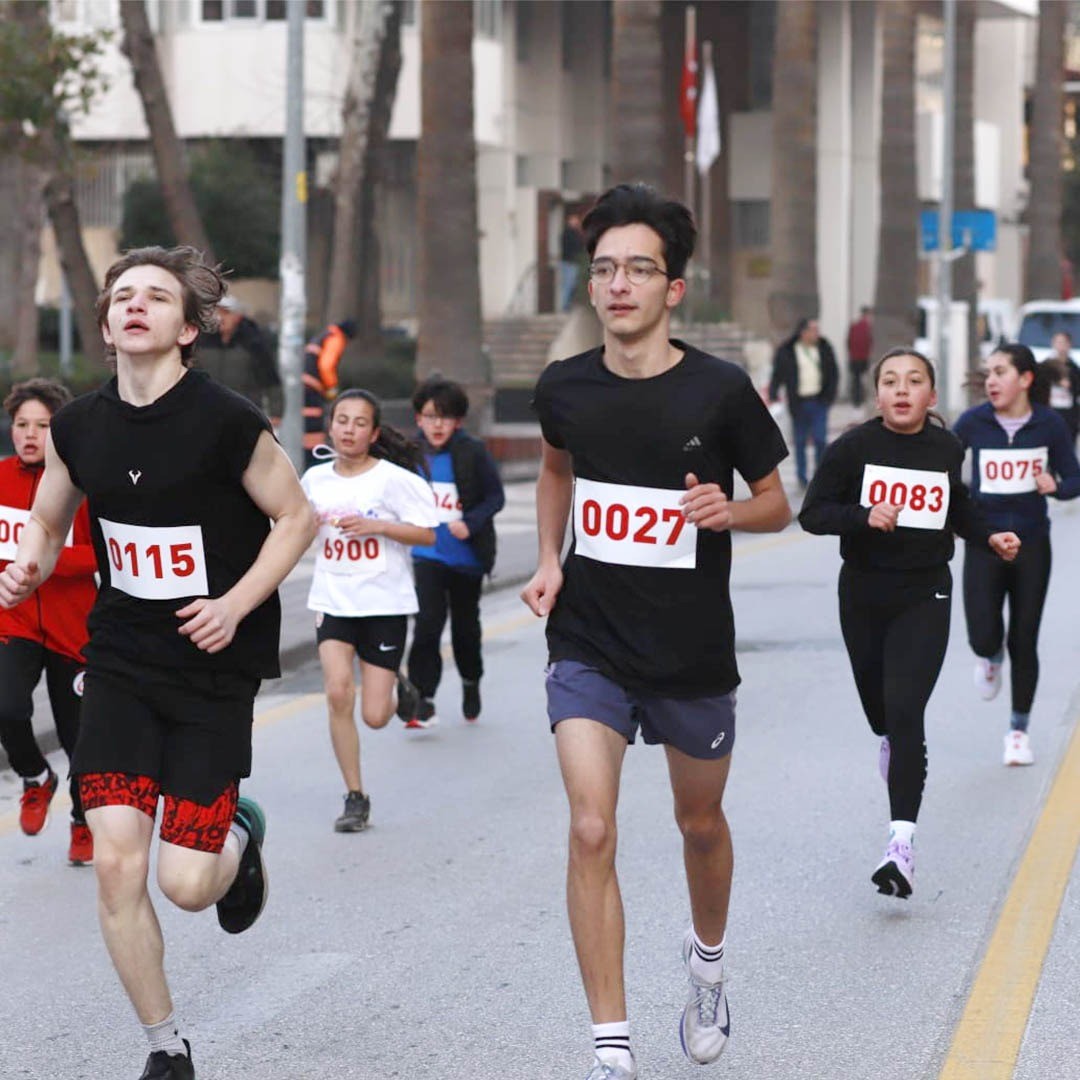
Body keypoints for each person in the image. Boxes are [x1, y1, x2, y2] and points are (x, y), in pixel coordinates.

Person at [0, 245, 317, 1080]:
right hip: (119, 662)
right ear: (106, 325)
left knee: (185, 884)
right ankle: (164, 1046)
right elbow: (46, 517)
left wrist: (235, 604)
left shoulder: (228, 421)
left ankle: (240, 840)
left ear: (187, 327)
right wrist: (27, 561)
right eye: (123, 297)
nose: (136, 306)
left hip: (213, 667)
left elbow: (295, 519)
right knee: (114, 857)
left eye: (157, 297)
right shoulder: (78, 427)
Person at [522, 183, 791, 1080]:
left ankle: (706, 964)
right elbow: (558, 470)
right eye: (604, 269)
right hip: (589, 640)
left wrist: (730, 509)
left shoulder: (719, 391)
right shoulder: (564, 386)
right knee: (591, 828)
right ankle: (611, 1046)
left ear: (673, 288)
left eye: (639, 268)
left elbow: (778, 504)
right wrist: (551, 556)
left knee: (699, 822)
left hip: (689, 651)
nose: (620, 284)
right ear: (590, 286)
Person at [800, 349, 1019, 899]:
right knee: (882, 715)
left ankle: (900, 846)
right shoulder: (854, 448)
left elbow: (958, 507)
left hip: (926, 591)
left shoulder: (946, 448)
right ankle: (893, 746)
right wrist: (862, 516)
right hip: (864, 592)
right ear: (877, 396)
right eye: (891, 382)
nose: (902, 390)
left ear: (932, 396)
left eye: (914, 381)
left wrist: (989, 534)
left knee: (905, 712)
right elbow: (813, 512)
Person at [301, 389, 437, 831]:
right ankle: (355, 797)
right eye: (342, 420)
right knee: (338, 692)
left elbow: (427, 535)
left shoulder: (392, 480)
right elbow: (294, 531)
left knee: (376, 716)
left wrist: (376, 525)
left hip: (384, 603)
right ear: (331, 426)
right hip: (333, 599)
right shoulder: (315, 481)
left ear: (374, 432)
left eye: (360, 423)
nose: (349, 430)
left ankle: (399, 686)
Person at [954, 343, 1080, 766]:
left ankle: (1018, 731)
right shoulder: (972, 423)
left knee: (1024, 638)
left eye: (1001, 372)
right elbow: (944, 469)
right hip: (983, 542)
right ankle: (990, 659)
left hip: (1031, 543)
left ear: (1025, 379)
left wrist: (1056, 486)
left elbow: (1074, 477)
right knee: (983, 635)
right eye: (988, 372)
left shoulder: (1049, 425)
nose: (991, 380)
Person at [0, 378, 96, 865]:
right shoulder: (0, 479)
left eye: (43, 425)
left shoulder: (80, 485)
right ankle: (35, 777)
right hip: (13, 622)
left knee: (77, 738)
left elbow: (100, 554)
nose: (31, 434)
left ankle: (83, 819)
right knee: (7, 707)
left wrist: (50, 562)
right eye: (22, 425)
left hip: (71, 629)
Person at [404, 377, 505, 728]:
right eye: (429, 417)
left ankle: (470, 680)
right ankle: (422, 696)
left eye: (444, 418)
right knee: (428, 625)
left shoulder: (472, 451)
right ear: (418, 418)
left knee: (465, 628)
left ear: (458, 421)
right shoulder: (410, 453)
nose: (436, 425)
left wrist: (471, 522)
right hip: (427, 555)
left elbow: (496, 497)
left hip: (467, 559)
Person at [768, 317, 839, 488]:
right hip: (798, 402)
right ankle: (801, 476)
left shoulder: (824, 348)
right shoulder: (788, 350)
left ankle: (820, 474)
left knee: (820, 439)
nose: (817, 333)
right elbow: (778, 374)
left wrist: (829, 396)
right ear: (803, 332)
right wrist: (773, 392)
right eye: (813, 330)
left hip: (819, 401)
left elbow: (833, 372)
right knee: (800, 440)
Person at [195, 295, 280, 416]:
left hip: (245, 412)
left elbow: (270, 378)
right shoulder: (201, 342)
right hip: (206, 412)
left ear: (238, 317)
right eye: (217, 313)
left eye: (226, 313)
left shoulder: (253, 343)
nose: (221, 318)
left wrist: (276, 411)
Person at [303, 319, 357, 465]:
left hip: (305, 387)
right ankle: (315, 460)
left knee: (308, 427)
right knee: (313, 429)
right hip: (312, 388)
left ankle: (310, 458)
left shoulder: (325, 335)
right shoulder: (336, 338)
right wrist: (332, 388)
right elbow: (327, 365)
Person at [1043, 330, 1080, 444]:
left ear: (1069, 344)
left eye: (1063, 342)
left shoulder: (1074, 368)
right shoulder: (1046, 365)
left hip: (1069, 414)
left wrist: (1070, 385)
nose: (1061, 346)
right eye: (1058, 342)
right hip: (1050, 411)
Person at [846, 305, 873, 408]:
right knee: (865, 379)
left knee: (856, 379)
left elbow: (848, 341)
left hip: (854, 357)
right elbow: (870, 342)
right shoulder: (868, 327)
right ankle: (863, 398)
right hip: (864, 357)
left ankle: (856, 400)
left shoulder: (854, 326)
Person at [560, 212, 586, 312]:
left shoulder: (574, 233)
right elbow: (576, 246)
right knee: (568, 284)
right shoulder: (568, 233)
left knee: (572, 284)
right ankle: (565, 307)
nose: (576, 222)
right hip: (568, 262)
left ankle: (568, 306)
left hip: (572, 262)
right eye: (574, 220)